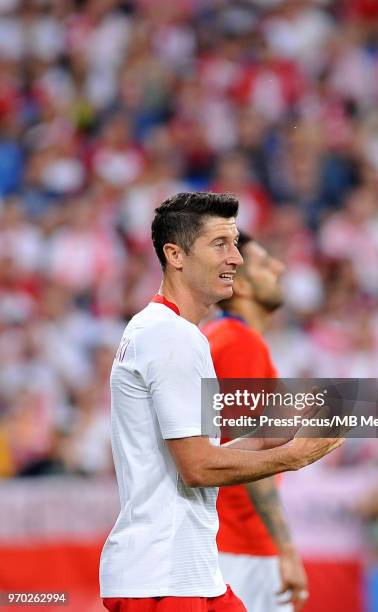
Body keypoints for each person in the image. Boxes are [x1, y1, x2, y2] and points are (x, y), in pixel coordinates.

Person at [99, 192, 344, 612]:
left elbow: (190, 458)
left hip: (192, 569)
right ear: (175, 254)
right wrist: (292, 456)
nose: (237, 258)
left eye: (235, 243)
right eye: (220, 244)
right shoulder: (172, 337)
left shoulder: (169, 331)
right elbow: (196, 467)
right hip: (164, 577)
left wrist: (265, 439)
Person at [203, 232, 308, 612]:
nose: (279, 267)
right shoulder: (240, 344)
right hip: (242, 545)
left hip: (224, 541)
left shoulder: (217, 338)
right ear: (241, 284)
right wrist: (286, 548)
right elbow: (253, 455)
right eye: (265, 263)